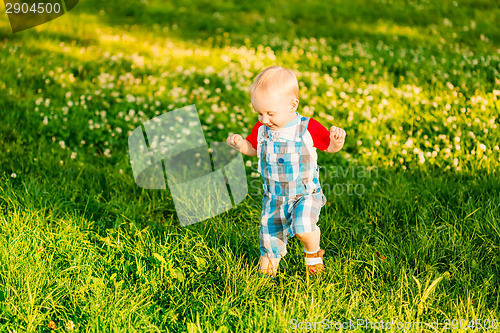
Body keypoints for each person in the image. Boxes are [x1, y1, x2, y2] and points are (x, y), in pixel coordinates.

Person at [226, 66, 346, 278]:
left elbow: (330, 146)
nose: (264, 119)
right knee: (269, 241)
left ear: (293, 104)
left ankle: (313, 254)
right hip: (274, 199)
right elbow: (254, 149)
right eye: (259, 113)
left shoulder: (307, 128)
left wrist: (337, 141)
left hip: (305, 194)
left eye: (270, 113)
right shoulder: (262, 129)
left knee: (303, 227)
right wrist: (240, 145)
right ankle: (263, 281)